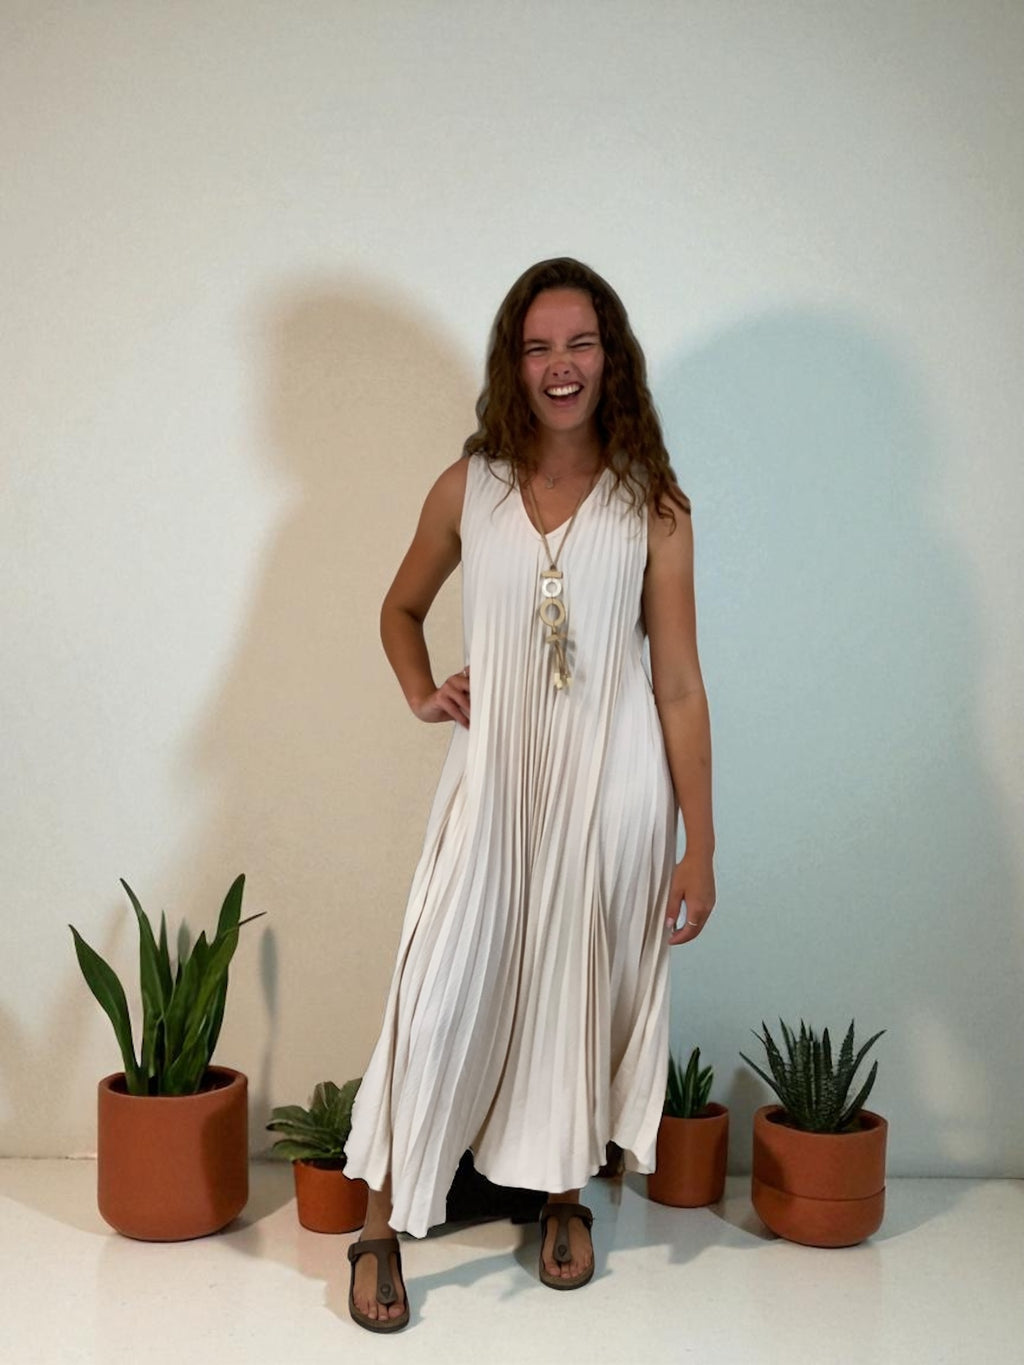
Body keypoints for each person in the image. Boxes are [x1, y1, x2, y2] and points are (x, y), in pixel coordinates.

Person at [343, 258, 716, 1332]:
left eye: (580, 343)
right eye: (539, 346)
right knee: (438, 984)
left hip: (613, 787)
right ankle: (380, 1222)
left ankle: (562, 1194)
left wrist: (698, 845)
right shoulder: (469, 487)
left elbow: (678, 684)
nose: (561, 366)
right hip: (494, 780)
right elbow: (399, 607)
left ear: (612, 358)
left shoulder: (654, 506)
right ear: (514, 362)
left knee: (573, 992)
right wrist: (422, 690)